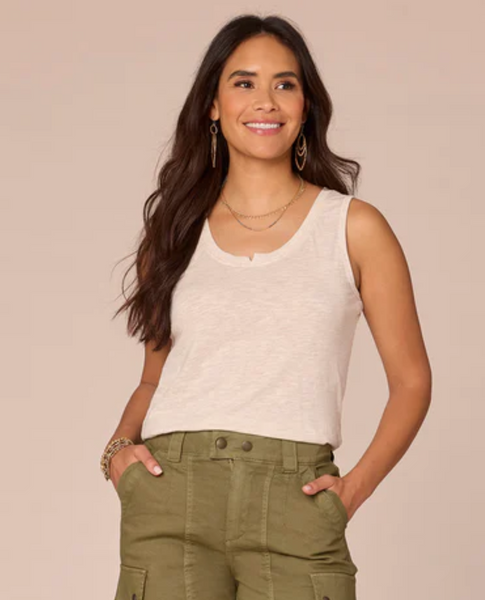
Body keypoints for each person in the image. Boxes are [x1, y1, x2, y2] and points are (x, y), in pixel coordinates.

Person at [101, 14, 432, 600]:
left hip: (293, 502)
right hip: (170, 497)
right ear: (213, 104)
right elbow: (153, 379)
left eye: (285, 84)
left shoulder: (353, 228)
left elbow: (412, 383)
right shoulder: (175, 233)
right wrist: (118, 451)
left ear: (306, 105)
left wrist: (351, 493)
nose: (266, 101)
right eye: (244, 82)